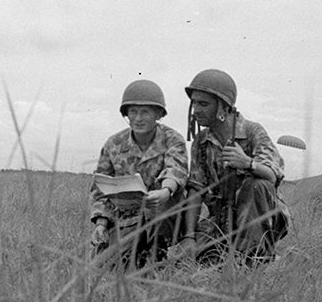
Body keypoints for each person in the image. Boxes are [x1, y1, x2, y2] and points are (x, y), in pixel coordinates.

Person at [178, 69, 290, 265]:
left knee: (256, 185)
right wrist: (189, 237)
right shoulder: (201, 141)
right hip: (223, 220)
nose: (196, 110)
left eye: (203, 104)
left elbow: (272, 177)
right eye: (194, 103)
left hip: (265, 215)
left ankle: (254, 260)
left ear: (223, 106)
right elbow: (195, 190)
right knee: (187, 262)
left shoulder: (252, 131)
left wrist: (248, 163)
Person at [89, 79, 189, 268]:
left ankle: (159, 253)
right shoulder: (113, 144)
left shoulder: (172, 139)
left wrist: (165, 191)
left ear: (158, 114)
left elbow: (176, 169)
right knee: (101, 266)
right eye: (133, 111)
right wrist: (101, 224)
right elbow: (100, 189)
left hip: (165, 216)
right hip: (127, 220)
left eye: (145, 112)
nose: (138, 118)